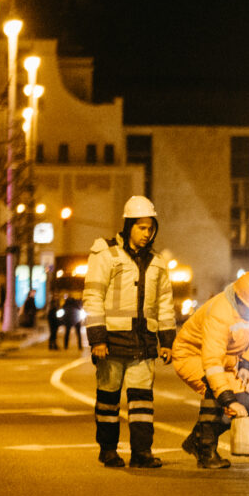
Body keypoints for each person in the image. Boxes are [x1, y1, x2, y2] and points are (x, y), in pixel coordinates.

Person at [83, 196, 177, 469]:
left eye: (150, 228)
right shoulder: (107, 254)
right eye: (141, 227)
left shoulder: (158, 263)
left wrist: (167, 342)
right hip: (111, 342)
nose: (147, 233)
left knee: (142, 404)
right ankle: (108, 450)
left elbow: (165, 305)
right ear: (128, 226)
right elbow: (92, 297)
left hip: (143, 343)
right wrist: (98, 339)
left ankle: (141, 453)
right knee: (108, 402)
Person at [171, 273, 249, 470]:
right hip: (192, 355)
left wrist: (247, 366)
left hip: (223, 362)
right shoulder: (220, 312)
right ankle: (206, 451)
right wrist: (227, 398)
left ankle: (196, 439)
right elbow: (212, 361)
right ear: (239, 299)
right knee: (216, 395)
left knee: (245, 404)